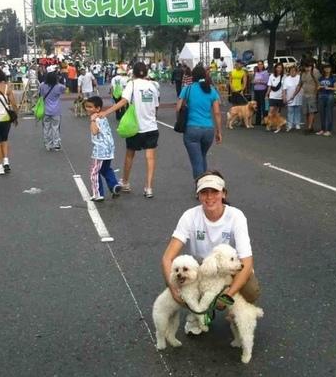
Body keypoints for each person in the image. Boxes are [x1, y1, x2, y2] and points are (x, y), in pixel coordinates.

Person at [161, 170, 260, 309]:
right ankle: (197, 315)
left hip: (228, 266)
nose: (209, 197)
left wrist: (227, 298)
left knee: (251, 291)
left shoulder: (237, 216)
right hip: (203, 267)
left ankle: (236, 310)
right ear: (198, 195)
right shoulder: (189, 216)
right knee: (181, 278)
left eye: (215, 191)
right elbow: (167, 258)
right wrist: (173, 290)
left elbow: (247, 261)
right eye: (204, 192)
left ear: (224, 193)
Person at [97, 62, 159, 198]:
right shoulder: (153, 86)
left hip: (135, 127)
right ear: (147, 72)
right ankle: (148, 188)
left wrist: (106, 112)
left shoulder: (132, 84)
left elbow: (123, 101)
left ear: (134, 73)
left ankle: (125, 182)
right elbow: (155, 106)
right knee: (150, 158)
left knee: (130, 155)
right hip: (152, 127)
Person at [177, 65, 222, 180]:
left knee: (197, 161)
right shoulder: (211, 90)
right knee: (202, 156)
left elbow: (178, 107)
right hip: (208, 129)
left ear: (193, 76)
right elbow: (217, 113)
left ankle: (201, 187)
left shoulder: (188, 89)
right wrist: (219, 132)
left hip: (192, 128)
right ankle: (205, 183)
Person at [84, 96, 122, 201]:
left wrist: (92, 121)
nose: (87, 109)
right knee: (105, 169)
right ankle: (114, 185)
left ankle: (98, 194)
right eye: (86, 106)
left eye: (90, 107)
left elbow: (95, 131)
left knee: (94, 172)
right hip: (109, 149)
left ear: (98, 108)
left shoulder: (95, 118)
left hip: (100, 150)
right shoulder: (102, 117)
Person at [39, 72, 66, 151]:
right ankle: (56, 144)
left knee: (46, 128)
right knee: (55, 127)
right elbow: (64, 88)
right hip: (56, 110)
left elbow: (40, 94)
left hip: (45, 110)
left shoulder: (42, 85)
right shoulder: (59, 86)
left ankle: (48, 144)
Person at [292, 62, 320, 134]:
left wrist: (316, 94)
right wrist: (294, 95)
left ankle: (309, 127)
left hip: (312, 94)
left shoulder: (315, 72)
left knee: (311, 111)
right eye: (305, 66)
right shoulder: (302, 73)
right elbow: (299, 85)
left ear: (311, 66)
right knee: (306, 112)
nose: (307, 68)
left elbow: (318, 83)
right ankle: (309, 126)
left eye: (309, 66)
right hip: (304, 94)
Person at [316, 64, 336, 137]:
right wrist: (320, 87)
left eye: (329, 68)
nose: (327, 69)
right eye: (326, 68)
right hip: (321, 95)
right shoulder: (321, 78)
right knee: (322, 113)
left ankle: (328, 130)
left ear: (331, 69)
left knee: (329, 113)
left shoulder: (333, 78)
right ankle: (323, 129)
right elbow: (317, 87)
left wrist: (329, 88)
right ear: (324, 69)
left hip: (329, 96)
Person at [282, 65, 303, 131]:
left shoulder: (300, 78)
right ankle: (290, 124)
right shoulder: (286, 79)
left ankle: (297, 123)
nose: (292, 72)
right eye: (291, 70)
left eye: (294, 70)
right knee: (290, 111)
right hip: (289, 97)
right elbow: (284, 89)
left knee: (297, 111)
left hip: (298, 97)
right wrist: (284, 97)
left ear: (296, 71)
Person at [252, 60, 269, 125]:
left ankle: (265, 121)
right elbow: (253, 81)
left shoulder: (265, 72)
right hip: (256, 90)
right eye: (258, 64)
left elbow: (267, 82)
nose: (259, 66)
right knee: (257, 106)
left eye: (261, 64)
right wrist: (254, 81)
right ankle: (257, 121)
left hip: (263, 90)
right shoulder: (256, 72)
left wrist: (260, 82)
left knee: (264, 106)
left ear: (263, 65)